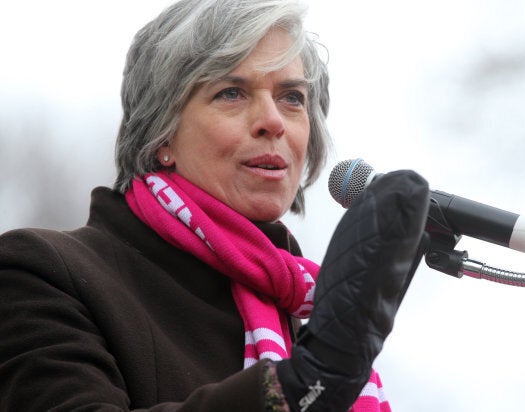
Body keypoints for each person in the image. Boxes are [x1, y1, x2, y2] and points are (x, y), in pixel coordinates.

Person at [0, 0, 430, 410]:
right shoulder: (41, 272)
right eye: (231, 92)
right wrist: (303, 385)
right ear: (161, 134)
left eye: (292, 97)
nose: (274, 121)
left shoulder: (305, 309)